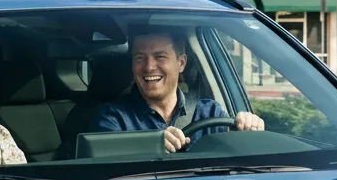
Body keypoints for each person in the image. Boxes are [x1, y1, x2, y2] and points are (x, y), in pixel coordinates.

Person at [91, 26, 265, 153]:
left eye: (160, 56)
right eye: (139, 58)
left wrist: (248, 130)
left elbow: (238, 158)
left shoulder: (210, 113)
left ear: (181, 63)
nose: (149, 66)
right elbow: (105, 173)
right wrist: (148, 145)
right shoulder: (112, 118)